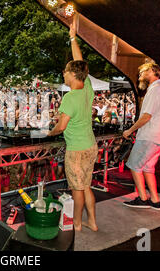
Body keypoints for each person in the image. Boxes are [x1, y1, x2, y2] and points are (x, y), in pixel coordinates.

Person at [47, 17, 99, 232]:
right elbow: (81, 62)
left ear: (73, 75)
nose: (63, 74)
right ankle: (92, 222)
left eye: (66, 72)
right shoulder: (87, 87)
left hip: (76, 150)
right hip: (90, 146)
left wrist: (49, 133)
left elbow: (61, 127)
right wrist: (72, 38)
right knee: (86, 186)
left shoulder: (70, 97)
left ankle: (76, 223)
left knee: (77, 189)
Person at [122, 62, 160, 210]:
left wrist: (130, 130)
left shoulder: (155, 90)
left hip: (150, 136)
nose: (139, 77)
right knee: (148, 168)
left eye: (141, 73)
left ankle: (142, 198)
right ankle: (155, 200)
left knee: (133, 165)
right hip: (159, 138)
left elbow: (146, 116)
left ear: (151, 71)